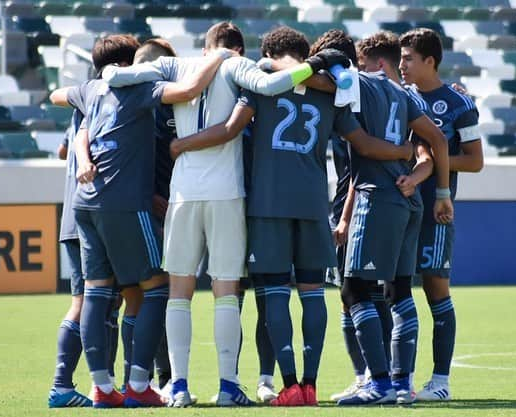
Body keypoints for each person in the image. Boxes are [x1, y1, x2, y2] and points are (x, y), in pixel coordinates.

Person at [102, 22, 351, 407]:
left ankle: (179, 386)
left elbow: (119, 75)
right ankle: (228, 385)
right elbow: (271, 86)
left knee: (179, 295)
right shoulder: (238, 66)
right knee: (225, 294)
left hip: (183, 192)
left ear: (206, 45)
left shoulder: (175, 67)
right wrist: (315, 62)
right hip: (226, 194)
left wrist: (107, 74)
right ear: (237, 48)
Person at [170, 26, 414, 407]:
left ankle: (288, 386)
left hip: (268, 205)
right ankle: (311, 384)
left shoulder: (261, 83)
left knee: (274, 296)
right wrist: (405, 151)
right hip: (313, 206)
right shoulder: (328, 93)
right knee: (313, 294)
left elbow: (232, 128)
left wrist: (180, 144)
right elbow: (363, 144)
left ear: (270, 53)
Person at [56, 34, 234, 408]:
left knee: (97, 292)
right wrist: (218, 57)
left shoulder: (91, 89)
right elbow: (189, 89)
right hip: (125, 202)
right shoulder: (141, 91)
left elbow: (61, 99)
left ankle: (102, 387)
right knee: (158, 288)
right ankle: (139, 384)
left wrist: (85, 158)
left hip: (84, 204)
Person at [309, 30, 453, 406]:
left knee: (353, 290)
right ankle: (402, 383)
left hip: (378, 201)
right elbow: (437, 140)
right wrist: (439, 190)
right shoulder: (403, 93)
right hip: (410, 203)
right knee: (398, 291)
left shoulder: (352, 85)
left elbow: (363, 146)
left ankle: (380, 383)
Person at [399, 28, 484, 402]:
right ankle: (396, 378)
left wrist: (434, 163)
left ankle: (441, 380)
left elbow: (476, 161)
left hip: (437, 210)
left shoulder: (458, 104)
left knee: (435, 289)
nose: (401, 65)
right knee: (394, 290)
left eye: (408, 59)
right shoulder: (399, 97)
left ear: (429, 61)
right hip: (400, 208)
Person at [46, 117, 92, 409]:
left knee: (88, 301)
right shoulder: (103, 108)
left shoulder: (78, 114)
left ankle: (69, 384)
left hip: (71, 218)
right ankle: (66, 385)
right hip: (92, 215)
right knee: (97, 301)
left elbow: (63, 151)